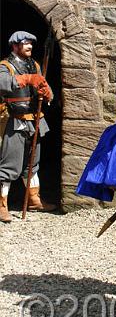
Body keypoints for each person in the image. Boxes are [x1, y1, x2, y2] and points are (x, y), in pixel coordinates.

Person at [0, 31, 54, 223]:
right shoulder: (5, 66)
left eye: (31, 43)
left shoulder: (35, 65)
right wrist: (27, 79)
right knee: (9, 165)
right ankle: (1, 204)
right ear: (15, 46)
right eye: (25, 43)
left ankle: (33, 200)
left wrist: (46, 92)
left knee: (32, 163)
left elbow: (46, 90)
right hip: (14, 120)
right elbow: (3, 84)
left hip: (35, 120)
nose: (30, 46)